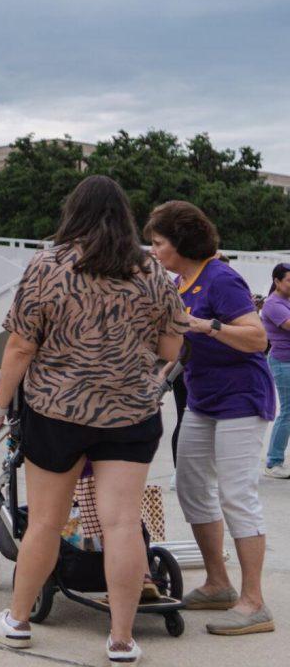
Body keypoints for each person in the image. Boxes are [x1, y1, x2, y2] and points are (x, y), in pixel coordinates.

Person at [0, 176, 187, 664]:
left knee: (46, 523)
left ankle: (17, 621)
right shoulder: (150, 271)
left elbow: (21, 345)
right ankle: (120, 639)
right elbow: (172, 347)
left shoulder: (47, 265)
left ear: (74, 212)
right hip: (130, 414)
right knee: (121, 524)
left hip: (57, 412)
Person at [146, 201, 275, 636]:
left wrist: (208, 327)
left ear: (180, 243)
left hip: (241, 399)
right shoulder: (181, 282)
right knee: (190, 483)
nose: (154, 249)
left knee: (237, 494)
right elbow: (183, 345)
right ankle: (219, 583)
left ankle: (254, 602)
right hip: (203, 399)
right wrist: (161, 377)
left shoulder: (221, 278)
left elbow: (256, 338)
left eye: (159, 242)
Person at [261, 263, 290, 478]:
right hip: (283, 362)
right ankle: (273, 462)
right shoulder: (273, 304)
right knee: (288, 412)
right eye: (289, 280)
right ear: (277, 281)